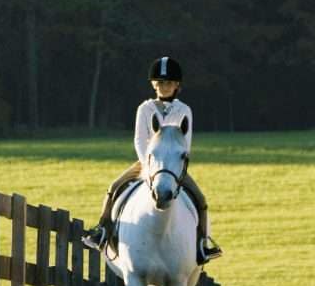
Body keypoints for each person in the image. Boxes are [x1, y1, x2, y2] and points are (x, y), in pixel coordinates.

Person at [83, 56, 223, 265]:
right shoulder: (145, 109)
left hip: (174, 166)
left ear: (177, 85)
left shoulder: (184, 110)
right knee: (114, 187)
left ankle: (202, 244)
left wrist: (177, 165)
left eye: (168, 83)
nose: (164, 87)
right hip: (146, 163)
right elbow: (139, 139)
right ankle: (102, 231)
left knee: (200, 200)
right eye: (160, 83)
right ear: (153, 85)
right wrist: (148, 165)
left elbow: (185, 143)